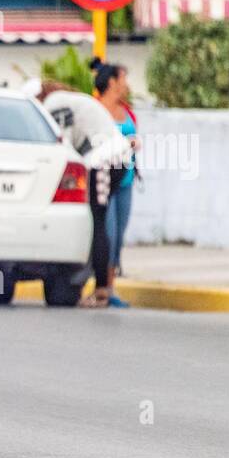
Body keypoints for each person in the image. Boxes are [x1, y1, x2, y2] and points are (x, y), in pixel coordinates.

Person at [35, 79, 132, 309]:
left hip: (104, 160)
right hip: (114, 159)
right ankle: (99, 285)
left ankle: (101, 290)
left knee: (98, 221)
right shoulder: (71, 100)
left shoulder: (54, 104)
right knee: (96, 219)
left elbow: (63, 146)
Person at [90, 58, 139, 307]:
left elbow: (134, 136)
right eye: (123, 79)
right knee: (105, 233)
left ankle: (110, 288)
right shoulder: (95, 109)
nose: (126, 84)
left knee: (118, 236)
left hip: (125, 179)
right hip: (103, 180)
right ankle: (99, 285)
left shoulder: (127, 110)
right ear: (112, 82)